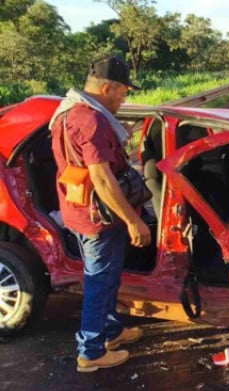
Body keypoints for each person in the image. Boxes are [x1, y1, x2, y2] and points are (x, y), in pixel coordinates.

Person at [49, 56, 151, 373]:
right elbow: (102, 179)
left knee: (105, 277)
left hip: (79, 211)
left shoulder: (67, 112)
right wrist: (134, 221)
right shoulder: (91, 120)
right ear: (107, 87)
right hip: (98, 217)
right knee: (98, 282)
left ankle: (111, 332)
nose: (124, 99)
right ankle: (91, 352)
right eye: (121, 93)